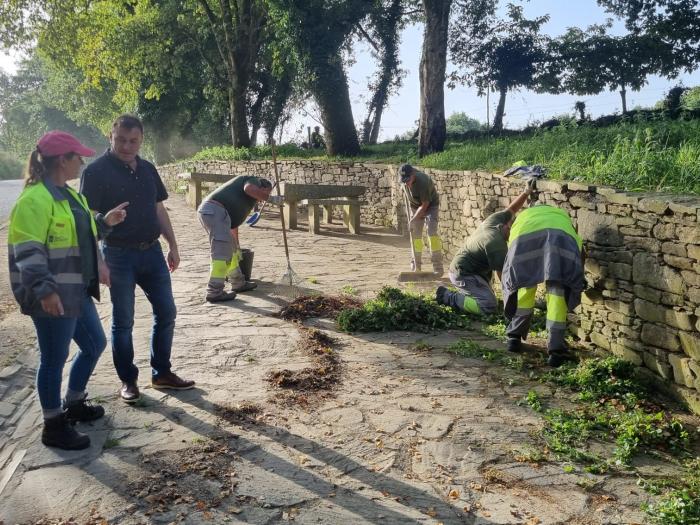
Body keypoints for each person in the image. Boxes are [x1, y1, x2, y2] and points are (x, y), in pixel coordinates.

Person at [8, 131, 127, 450]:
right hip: (53, 295)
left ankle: (73, 402)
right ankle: (53, 425)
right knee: (54, 358)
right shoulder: (34, 200)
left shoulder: (70, 195)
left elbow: (84, 226)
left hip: (76, 290)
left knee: (94, 344)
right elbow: (28, 253)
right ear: (62, 160)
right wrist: (46, 292)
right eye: (78, 156)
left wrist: (106, 222)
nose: (82, 161)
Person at [81, 115, 194, 404]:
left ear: (141, 140)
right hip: (117, 255)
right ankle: (128, 381)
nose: (127, 146)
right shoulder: (95, 172)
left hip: (152, 252)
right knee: (123, 321)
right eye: (121, 139)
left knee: (167, 312)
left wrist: (173, 245)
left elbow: (159, 209)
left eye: (133, 141)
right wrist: (100, 256)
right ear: (111, 135)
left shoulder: (147, 169)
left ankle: (162, 372)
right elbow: (85, 219)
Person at [500, 202, 584, 367]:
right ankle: (556, 351)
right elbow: (578, 249)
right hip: (560, 244)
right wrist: (577, 277)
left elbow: (511, 249)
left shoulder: (523, 217)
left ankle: (514, 338)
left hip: (523, 243)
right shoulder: (561, 216)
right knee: (557, 296)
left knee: (524, 286)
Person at [436, 180, 536, 315]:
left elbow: (512, 209)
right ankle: (447, 296)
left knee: (489, 298)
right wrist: (512, 305)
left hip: (473, 271)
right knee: (489, 306)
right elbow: (505, 280)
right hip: (464, 274)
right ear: (507, 226)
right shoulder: (496, 244)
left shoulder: (495, 220)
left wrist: (526, 192)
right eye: (514, 232)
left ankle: (470, 293)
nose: (514, 237)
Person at [198, 176, 282, 302]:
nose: (263, 198)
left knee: (231, 251)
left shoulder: (246, 200)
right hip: (215, 211)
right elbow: (249, 188)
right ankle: (214, 291)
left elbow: (233, 224)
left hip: (218, 214)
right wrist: (272, 199)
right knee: (221, 254)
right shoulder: (253, 180)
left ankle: (238, 283)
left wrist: (236, 245)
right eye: (266, 192)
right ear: (261, 187)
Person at [399, 163, 443, 275]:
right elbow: (404, 186)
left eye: (408, 180)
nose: (406, 183)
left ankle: (438, 267)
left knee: (432, 233)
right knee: (416, 235)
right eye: (404, 181)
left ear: (413, 174)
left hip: (430, 206)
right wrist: (403, 188)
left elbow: (424, 205)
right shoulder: (404, 179)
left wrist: (413, 219)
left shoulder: (423, 181)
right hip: (414, 206)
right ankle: (416, 265)